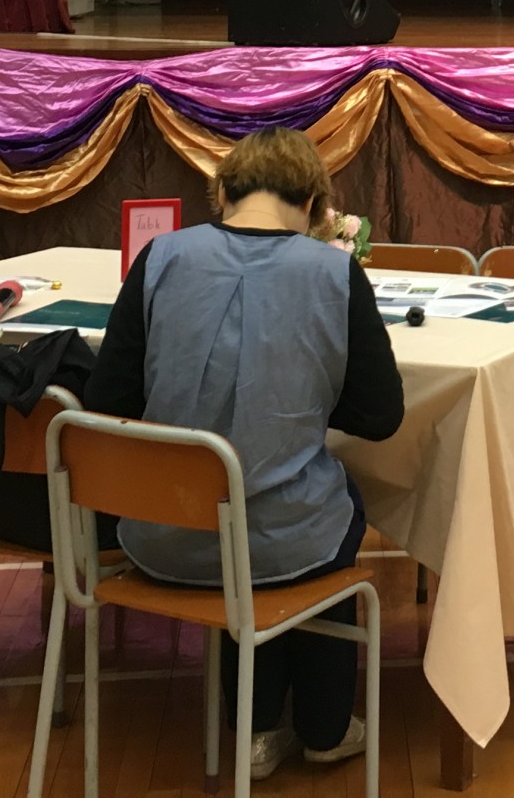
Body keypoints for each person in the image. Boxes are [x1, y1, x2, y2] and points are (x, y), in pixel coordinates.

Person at [88, 127, 403, 783]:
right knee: (322, 505)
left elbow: (108, 398)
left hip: (162, 532)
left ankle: (255, 727)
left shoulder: (160, 256)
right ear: (315, 206)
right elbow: (380, 416)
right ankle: (324, 724)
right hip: (282, 541)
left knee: (252, 507)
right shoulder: (334, 271)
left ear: (223, 194)